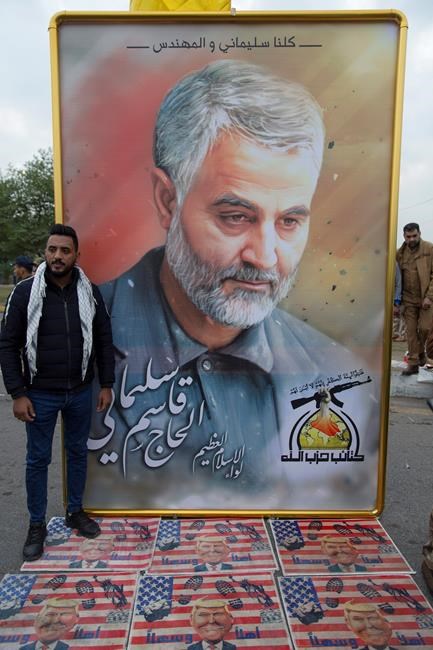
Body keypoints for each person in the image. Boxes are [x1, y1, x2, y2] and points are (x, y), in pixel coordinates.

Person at [94, 59, 378, 511]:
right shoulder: (83, 341)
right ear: (167, 201)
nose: (264, 257)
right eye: (235, 217)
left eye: (289, 222)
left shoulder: (332, 374)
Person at [0, 224, 115, 561]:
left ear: (76, 255)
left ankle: (75, 511)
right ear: (45, 253)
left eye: (65, 250)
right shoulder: (25, 292)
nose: (58, 256)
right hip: (39, 394)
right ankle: (37, 525)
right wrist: (17, 393)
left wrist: (106, 384)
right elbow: (7, 345)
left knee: (77, 452)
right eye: (52, 250)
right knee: (38, 459)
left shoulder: (89, 292)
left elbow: (104, 339)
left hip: (80, 391)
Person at [396, 222, 433, 375]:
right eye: (408, 236)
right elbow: (396, 278)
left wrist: (429, 296)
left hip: (426, 299)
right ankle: (413, 363)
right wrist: (396, 301)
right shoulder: (399, 254)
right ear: (404, 237)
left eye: (414, 236)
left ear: (419, 234)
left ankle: (421, 354)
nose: (411, 239)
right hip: (408, 299)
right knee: (411, 332)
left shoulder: (430, 249)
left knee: (424, 328)